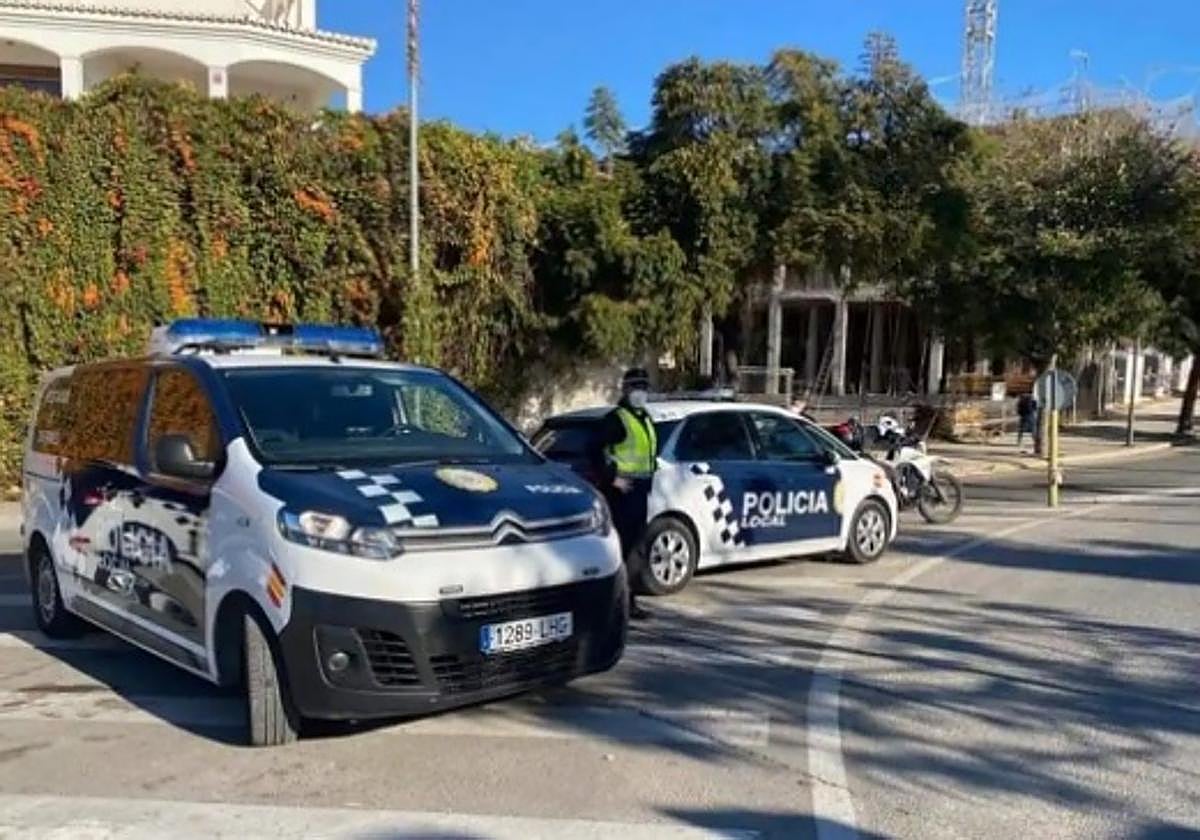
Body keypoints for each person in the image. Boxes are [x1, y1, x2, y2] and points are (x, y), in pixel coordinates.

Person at [592, 367, 657, 621]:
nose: (640, 392)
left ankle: (629, 602)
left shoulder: (645, 417)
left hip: (641, 491)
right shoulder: (617, 419)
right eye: (635, 387)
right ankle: (617, 603)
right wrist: (613, 478)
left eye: (644, 387)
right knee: (622, 549)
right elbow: (594, 450)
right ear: (626, 389)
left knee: (635, 550)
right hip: (622, 493)